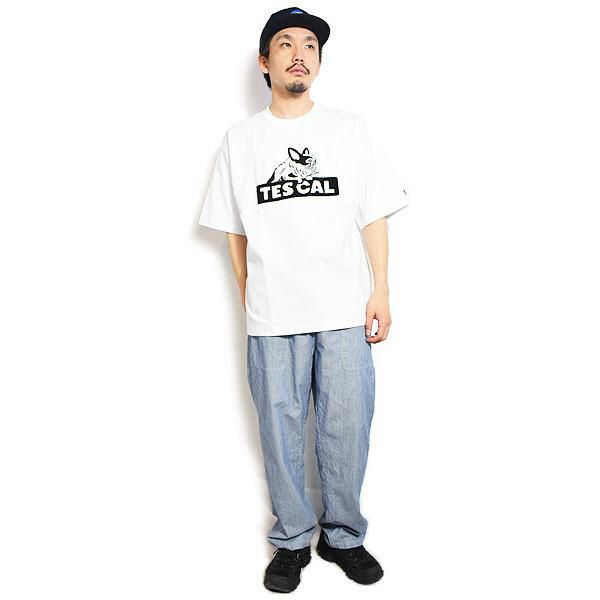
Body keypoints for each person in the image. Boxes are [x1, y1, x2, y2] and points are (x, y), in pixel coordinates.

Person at [198, 6, 410, 593]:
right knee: (280, 432)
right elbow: (234, 230)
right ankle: (292, 540)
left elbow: (373, 213)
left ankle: (343, 535)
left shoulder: (349, 130)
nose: (299, 54)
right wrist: (250, 293)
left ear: (318, 61)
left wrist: (382, 289)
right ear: (265, 62)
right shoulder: (241, 140)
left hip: (344, 309)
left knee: (348, 429)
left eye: (310, 45)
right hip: (273, 316)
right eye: (286, 44)